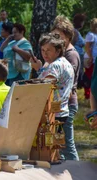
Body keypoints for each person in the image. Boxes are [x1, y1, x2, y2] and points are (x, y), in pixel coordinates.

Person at [30, 33, 74, 159]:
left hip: (52, 114)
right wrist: (40, 69)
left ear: (58, 50)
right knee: (56, 148)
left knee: (48, 149)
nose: (45, 54)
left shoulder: (55, 65)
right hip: (61, 112)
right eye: (43, 50)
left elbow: (45, 84)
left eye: (48, 50)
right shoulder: (65, 63)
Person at [51, 15, 80, 161]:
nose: (57, 39)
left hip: (67, 104)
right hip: (60, 105)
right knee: (59, 144)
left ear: (68, 36)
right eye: (54, 35)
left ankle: (78, 173)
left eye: (60, 36)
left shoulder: (71, 55)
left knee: (68, 145)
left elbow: (69, 83)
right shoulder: (61, 54)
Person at [83, 18, 97, 99]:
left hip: (95, 59)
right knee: (90, 77)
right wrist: (91, 57)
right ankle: (88, 95)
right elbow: (87, 47)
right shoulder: (91, 35)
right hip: (90, 59)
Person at [72, 13, 86, 89]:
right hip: (76, 55)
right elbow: (72, 43)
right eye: (83, 21)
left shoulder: (77, 31)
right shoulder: (75, 32)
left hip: (79, 55)